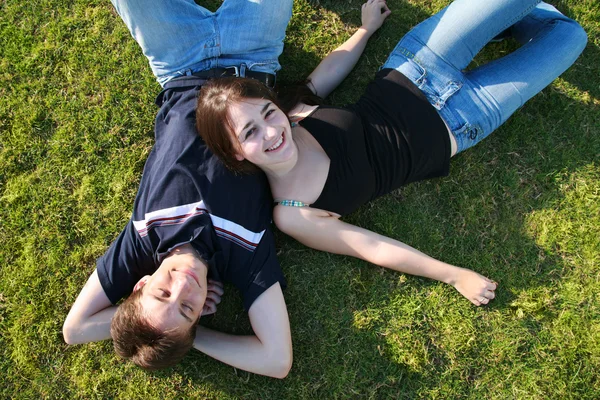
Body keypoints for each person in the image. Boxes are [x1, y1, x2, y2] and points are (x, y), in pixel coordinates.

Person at [197, 0, 587, 306]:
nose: (271, 130)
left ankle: (503, 17)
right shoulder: (292, 212)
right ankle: (509, 21)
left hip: (420, 63)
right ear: (236, 153)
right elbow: (371, 247)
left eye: (268, 112)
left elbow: (325, 75)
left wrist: (365, 30)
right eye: (250, 132)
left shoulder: (292, 113)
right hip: (467, 118)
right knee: (571, 36)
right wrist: (452, 275)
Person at [62, 0, 294, 378]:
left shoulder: (141, 241)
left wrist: (175, 322)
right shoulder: (245, 255)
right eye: (187, 307)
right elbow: (277, 361)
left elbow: (74, 330)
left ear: (141, 282)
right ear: (202, 311)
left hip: (180, 59)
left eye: (162, 293)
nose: (183, 286)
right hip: (254, 58)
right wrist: (193, 335)